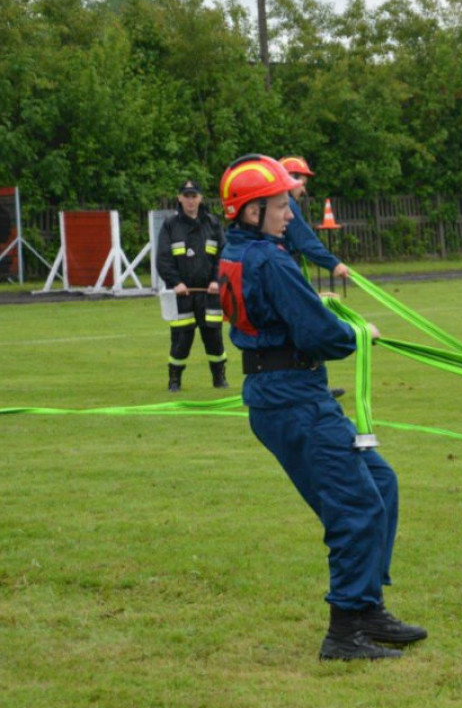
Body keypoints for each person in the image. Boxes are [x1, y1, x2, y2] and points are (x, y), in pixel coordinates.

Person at [217, 154, 425, 661]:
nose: (290, 213)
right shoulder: (269, 261)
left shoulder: (243, 251)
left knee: (381, 483)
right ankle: (344, 632)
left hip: (290, 392)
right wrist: (358, 332)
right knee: (355, 506)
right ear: (251, 213)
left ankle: (368, 606)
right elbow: (316, 332)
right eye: (280, 204)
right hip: (292, 398)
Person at [156, 179, 228, 391]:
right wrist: (175, 283)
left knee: (214, 338)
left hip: (210, 293)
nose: (190, 200)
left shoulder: (213, 224)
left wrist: (217, 280)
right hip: (182, 296)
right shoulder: (171, 225)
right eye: (186, 196)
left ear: (200, 198)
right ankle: (174, 380)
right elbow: (163, 258)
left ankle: (219, 378)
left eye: (194, 196)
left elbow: (224, 256)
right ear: (179, 198)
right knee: (181, 339)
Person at [278, 155, 350, 282]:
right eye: (302, 184)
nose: (304, 190)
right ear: (290, 179)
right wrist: (334, 264)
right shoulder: (286, 203)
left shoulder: (271, 203)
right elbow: (305, 240)